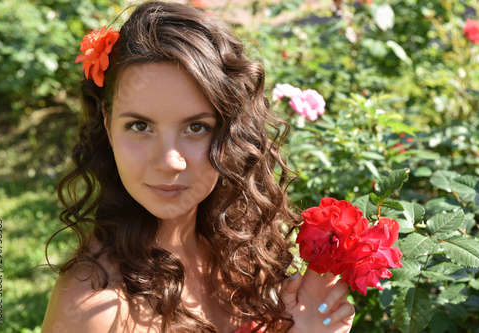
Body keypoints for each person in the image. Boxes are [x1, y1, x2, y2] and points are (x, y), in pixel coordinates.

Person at [41, 1, 355, 332]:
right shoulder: (97, 312)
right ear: (108, 125)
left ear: (230, 130)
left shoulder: (239, 244)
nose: (169, 161)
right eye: (139, 126)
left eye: (196, 127)